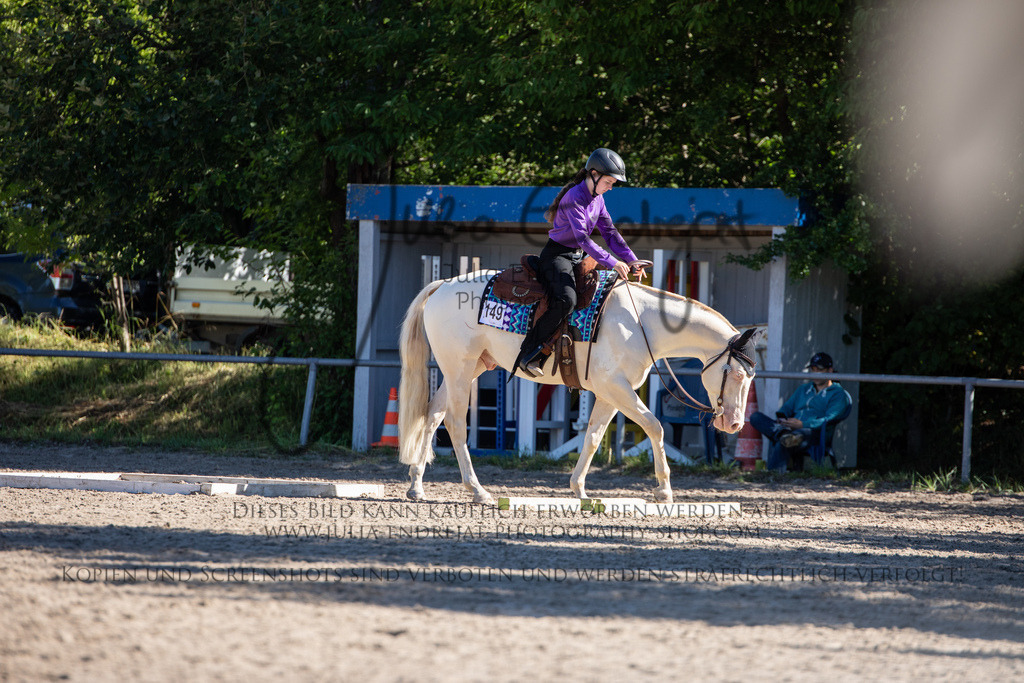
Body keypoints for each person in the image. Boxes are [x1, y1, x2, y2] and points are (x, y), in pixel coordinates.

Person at [516, 148, 648, 378]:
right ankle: (529, 353)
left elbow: (610, 234)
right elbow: (582, 239)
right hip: (556, 256)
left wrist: (632, 259)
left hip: (577, 256)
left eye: (612, 183)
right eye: (608, 182)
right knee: (566, 299)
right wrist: (612, 262)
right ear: (594, 174)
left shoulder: (599, 200)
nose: (610, 187)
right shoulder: (573, 198)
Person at [749, 352, 850, 471]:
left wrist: (803, 424)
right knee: (756, 417)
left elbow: (828, 419)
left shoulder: (838, 394)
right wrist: (783, 419)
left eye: (820, 369)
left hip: (814, 432)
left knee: (788, 440)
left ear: (830, 371)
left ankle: (774, 472)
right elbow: (786, 408)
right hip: (790, 427)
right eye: (813, 369)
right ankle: (783, 434)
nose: (815, 373)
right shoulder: (803, 389)